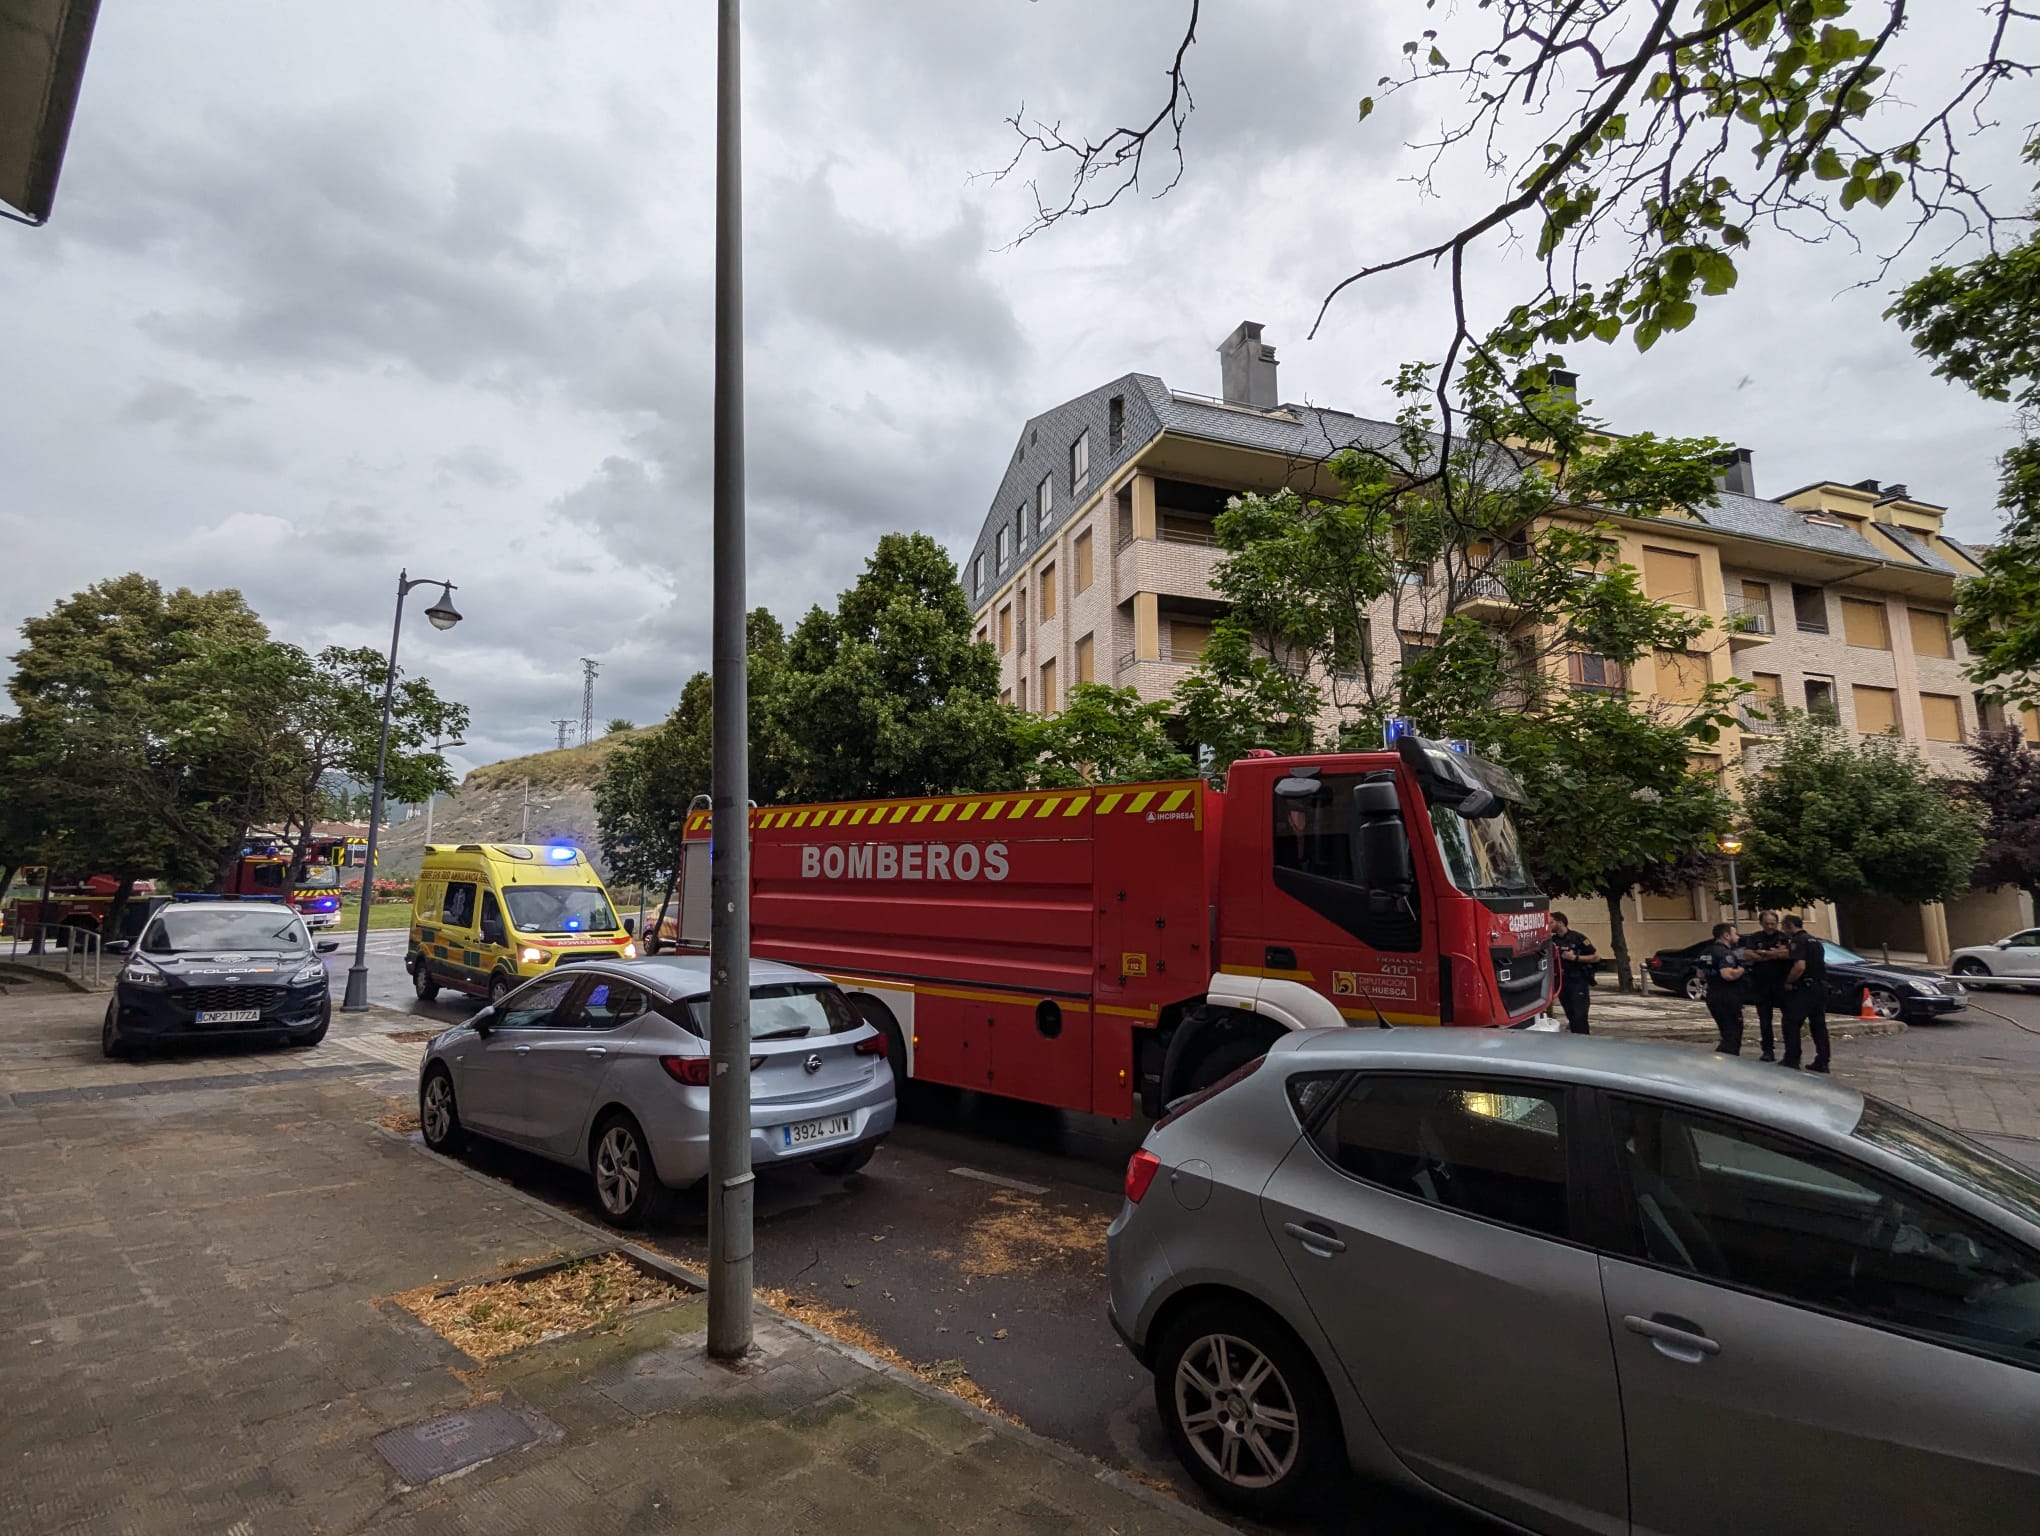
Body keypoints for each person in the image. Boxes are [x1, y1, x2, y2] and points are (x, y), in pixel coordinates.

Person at [1780, 914, 1832, 1073]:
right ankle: (1823, 1060)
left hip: (1805, 989)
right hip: (1820, 987)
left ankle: (1792, 1058)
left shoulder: (1798, 941)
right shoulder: (1815, 941)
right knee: (1818, 1025)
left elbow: (1800, 966)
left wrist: (1788, 981)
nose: (1783, 930)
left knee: (1791, 1023)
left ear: (1789, 925)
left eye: (1784, 927)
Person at [1743, 910, 1794, 1061]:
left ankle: (1790, 1052)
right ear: (1761, 923)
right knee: (1765, 1021)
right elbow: (1748, 955)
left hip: (1781, 984)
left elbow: (1787, 954)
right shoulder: (1755, 937)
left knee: (1788, 1019)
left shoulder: (1784, 937)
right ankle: (1767, 1051)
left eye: (1773, 923)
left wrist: (1764, 954)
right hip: (1761, 984)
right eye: (1767, 924)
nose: (1770, 926)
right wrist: (1773, 955)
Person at [1700, 921, 1748, 1055]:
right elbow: (1727, 975)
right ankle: (1728, 1061)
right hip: (1727, 996)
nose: (1737, 937)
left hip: (1712, 994)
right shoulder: (1725, 954)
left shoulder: (1706, 951)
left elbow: (1700, 974)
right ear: (1726, 936)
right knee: (1733, 1034)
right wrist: (1742, 969)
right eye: (1735, 934)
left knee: (1726, 1032)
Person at [1550, 911, 1597, 1034]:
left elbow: (1595, 957)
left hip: (1578, 981)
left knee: (1579, 1015)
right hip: (1561, 982)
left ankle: (1583, 1041)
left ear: (1560, 923)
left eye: (1551, 922)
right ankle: (1575, 1039)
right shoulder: (1552, 941)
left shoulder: (1578, 938)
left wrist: (1575, 958)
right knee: (1570, 1014)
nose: (1548, 925)